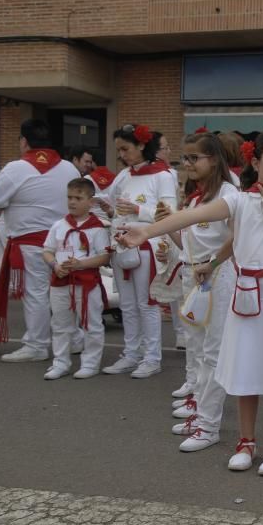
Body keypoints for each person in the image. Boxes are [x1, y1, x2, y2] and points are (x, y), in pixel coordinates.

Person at [119, 129, 263, 476]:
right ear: (255, 162)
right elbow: (195, 216)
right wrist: (147, 231)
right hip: (245, 294)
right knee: (246, 371)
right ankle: (246, 441)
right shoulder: (240, 200)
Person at [156, 132, 239, 451]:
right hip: (195, 274)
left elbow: (236, 240)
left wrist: (214, 263)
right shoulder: (194, 197)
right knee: (197, 346)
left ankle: (208, 425)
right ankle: (200, 410)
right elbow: (188, 245)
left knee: (213, 351)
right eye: (184, 158)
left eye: (194, 158)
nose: (187, 164)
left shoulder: (229, 193)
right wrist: (171, 226)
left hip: (218, 275)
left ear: (214, 159)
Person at [0, 119, 81, 362]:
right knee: (63, 292)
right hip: (64, 240)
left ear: (24, 141)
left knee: (37, 294)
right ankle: (74, 339)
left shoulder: (16, 168)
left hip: (31, 242)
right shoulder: (69, 169)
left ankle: (37, 345)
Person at [100, 124, 178, 379]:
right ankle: (131, 353)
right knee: (128, 305)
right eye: (119, 150)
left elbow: (171, 213)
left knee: (147, 304)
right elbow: (111, 204)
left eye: (126, 148)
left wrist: (138, 211)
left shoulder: (163, 175)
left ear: (142, 145)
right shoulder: (124, 175)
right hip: (122, 244)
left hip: (147, 245)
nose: (122, 154)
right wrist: (106, 208)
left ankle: (152, 357)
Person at [41, 178, 109, 379]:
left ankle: (90, 363)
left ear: (91, 202)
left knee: (91, 324)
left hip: (87, 284)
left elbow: (104, 256)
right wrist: (55, 265)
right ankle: (60, 362)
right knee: (60, 324)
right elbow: (47, 251)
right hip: (60, 282)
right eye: (69, 197)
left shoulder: (97, 228)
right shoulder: (58, 225)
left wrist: (81, 264)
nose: (72, 202)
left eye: (78, 198)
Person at [153, 131, 187, 351]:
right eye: (165, 148)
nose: (169, 151)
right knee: (177, 290)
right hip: (172, 233)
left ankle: (186, 334)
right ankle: (181, 334)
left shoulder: (171, 173)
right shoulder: (168, 176)